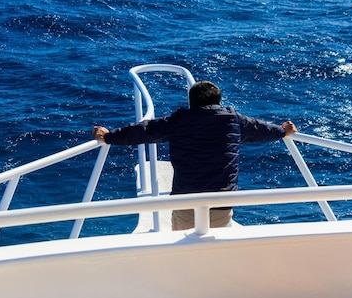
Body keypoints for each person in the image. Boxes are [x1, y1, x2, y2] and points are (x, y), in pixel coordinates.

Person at [92, 80, 297, 231]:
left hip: (186, 200)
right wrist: (282, 131)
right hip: (221, 202)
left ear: (191, 103)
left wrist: (109, 137)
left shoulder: (178, 121)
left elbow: (143, 131)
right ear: (219, 101)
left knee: (184, 247)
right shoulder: (234, 120)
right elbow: (262, 130)